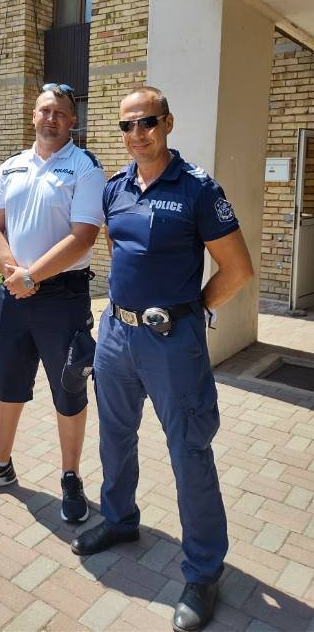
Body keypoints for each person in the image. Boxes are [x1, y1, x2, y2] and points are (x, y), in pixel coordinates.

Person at [71, 87, 253, 632]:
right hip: (117, 335)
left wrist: (192, 310)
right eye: (127, 126)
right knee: (114, 435)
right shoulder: (116, 188)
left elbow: (237, 269)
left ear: (167, 123)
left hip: (173, 340)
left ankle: (203, 570)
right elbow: (117, 250)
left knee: (189, 449)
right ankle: (119, 519)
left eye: (146, 122)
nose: (137, 134)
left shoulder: (198, 189)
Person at [0, 83, 106, 523]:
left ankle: (71, 477)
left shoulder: (85, 167)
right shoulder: (11, 167)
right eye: (44, 110)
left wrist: (31, 276)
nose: (51, 118)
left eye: (60, 112)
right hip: (13, 294)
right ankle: (0, 465)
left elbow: (84, 236)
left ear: (72, 121)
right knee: (7, 382)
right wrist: (13, 274)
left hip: (62, 298)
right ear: (33, 116)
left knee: (69, 389)